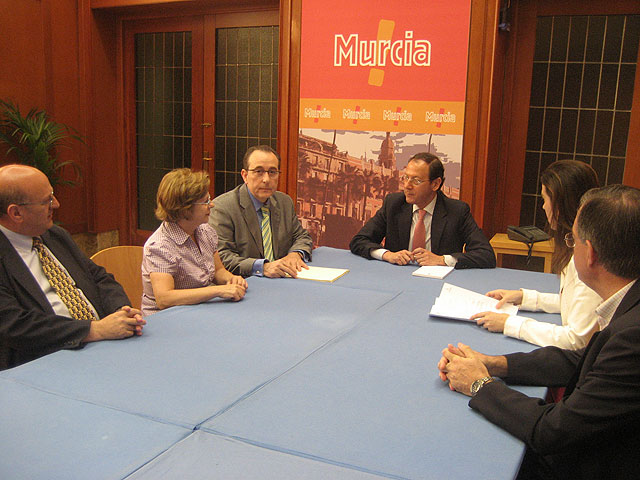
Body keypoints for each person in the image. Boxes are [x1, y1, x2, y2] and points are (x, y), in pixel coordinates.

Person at [437, 184, 640, 480]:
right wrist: (494, 364)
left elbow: (552, 431)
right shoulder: (628, 305)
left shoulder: (632, 337)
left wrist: (480, 384)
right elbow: (581, 361)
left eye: (574, 240)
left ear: (591, 254)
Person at [0, 164, 145, 370]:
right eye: (47, 201)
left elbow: (98, 277)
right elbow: (14, 325)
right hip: (46, 361)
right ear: (16, 213)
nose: (56, 204)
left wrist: (121, 309)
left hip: (103, 348)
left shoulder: (54, 235)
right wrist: (93, 330)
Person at [471, 160, 601, 349]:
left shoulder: (588, 258)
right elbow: (573, 304)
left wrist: (509, 324)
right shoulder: (574, 246)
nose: (543, 207)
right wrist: (524, 298)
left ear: (560, 203)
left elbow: (576, 340)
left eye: (545, 199)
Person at [349, 152, 495, 269]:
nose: (407, 185)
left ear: (436, 184)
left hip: (439, 283)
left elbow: (485, 255)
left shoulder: (456, 211)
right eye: (406, 178)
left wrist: (442, 260)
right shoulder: (394, 204)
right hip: (395, 279)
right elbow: (359, 241)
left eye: (416, 181)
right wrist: (387, 255)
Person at [141, 169, 247, 316]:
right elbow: (164, 299)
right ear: (184, 209)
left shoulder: (205, 231)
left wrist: (231, 279)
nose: (212, 205)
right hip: (167, 319)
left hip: (198, 310)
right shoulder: (160, 246)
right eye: (205, 202)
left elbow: (218, 271)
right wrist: (218, 290)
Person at [209, 145, 313, 278]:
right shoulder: (223, 208)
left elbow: (301, 236)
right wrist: (262, 267)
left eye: (272, 172)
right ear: (245, 175)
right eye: (259, 171)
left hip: (283, 280)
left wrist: (295, 254)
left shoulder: (284, 202)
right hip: (245, 283)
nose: (266, 179)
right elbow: (222, 257)